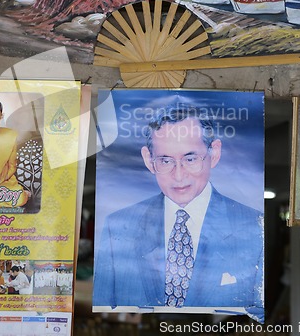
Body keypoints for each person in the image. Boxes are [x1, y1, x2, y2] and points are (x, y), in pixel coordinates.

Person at [93, 104, 263, 321]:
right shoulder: (117, 226)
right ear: (148, 160)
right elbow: (106, 318)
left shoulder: (254, 226)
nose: (179, 175)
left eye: (190, 159)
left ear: (215, 153)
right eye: (165, 161)